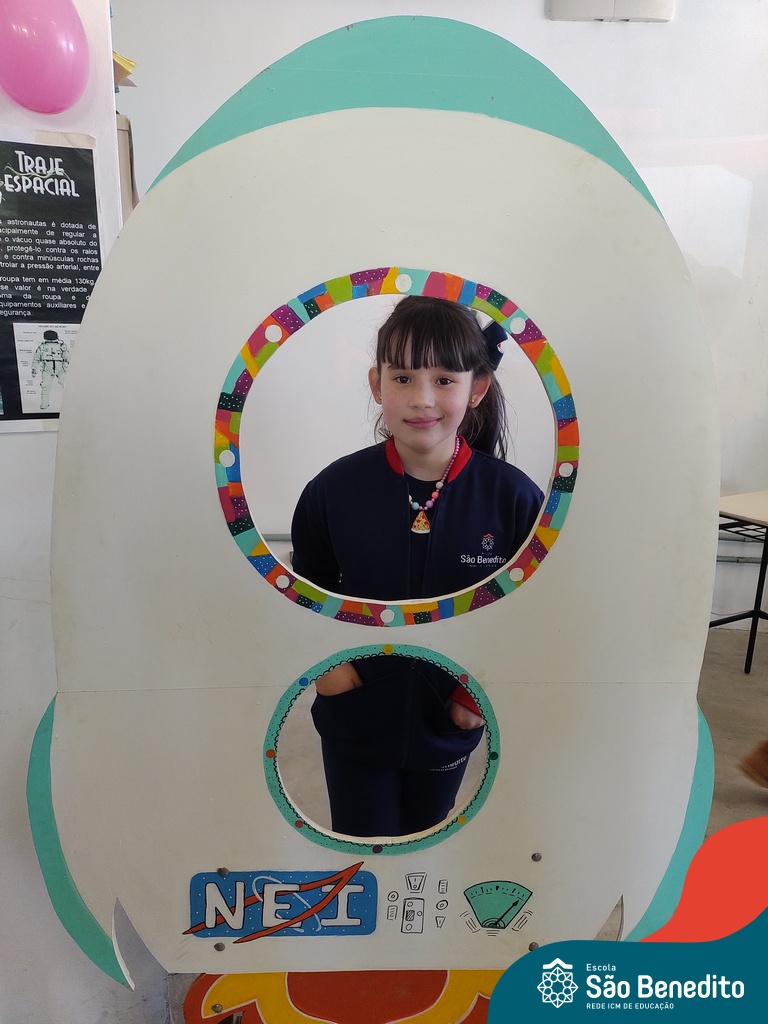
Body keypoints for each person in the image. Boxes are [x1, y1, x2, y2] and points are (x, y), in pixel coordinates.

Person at [291, 295, 544, 837]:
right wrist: (333, 678)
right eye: (402, 378)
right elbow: (303, 592)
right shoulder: (333, 490)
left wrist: (468, 702)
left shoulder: (513, 499)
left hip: (447, 722)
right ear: (376, 384)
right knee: (361, 847)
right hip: (353, 715)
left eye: (444, 379)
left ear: (477, 388)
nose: (422, 398)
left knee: (425, 850)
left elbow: (533, 613)